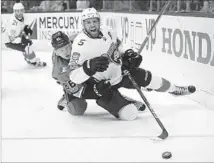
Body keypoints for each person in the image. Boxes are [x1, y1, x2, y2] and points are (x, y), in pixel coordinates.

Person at [65, 7, 196, 121]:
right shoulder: (79, 44)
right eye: (88, 22)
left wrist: (129, 53)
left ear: (99, 21)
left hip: (120, 73)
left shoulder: (107, 31)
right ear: (83, 24)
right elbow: (73, 76)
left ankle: (175, 89)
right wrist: (88, 68)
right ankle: (126, 100)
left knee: (153, 80)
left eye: (94, 21)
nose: (92, 25)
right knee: (130, 114)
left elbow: (119, 46)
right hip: (104, 86)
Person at [51, 31, 146, 116]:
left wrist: (126, 52)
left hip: (87, 70)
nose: (66, 52)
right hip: (72, 83)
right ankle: (66, 97)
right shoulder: (59, 69)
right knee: (77, 109)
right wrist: (96, 90)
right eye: (61, 50)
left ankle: (120, 98)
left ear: (71, 43)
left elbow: (111, 41)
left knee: (108, 70)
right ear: (56, 52)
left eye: (67, 47)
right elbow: (78, 90)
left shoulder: (80, 39)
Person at [3, 1, 46, 67]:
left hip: (16, 36)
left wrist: (26, 28)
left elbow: (23, 25)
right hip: (9, 41)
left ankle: (28, 59)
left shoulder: (22, 16)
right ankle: (33, 62)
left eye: (21, 11)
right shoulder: (13, 24)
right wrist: (22, 40)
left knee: (29, 45)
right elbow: (13, 40)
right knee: (27, 48)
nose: (20, 13)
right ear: (14, 11)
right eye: (17, 11)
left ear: (23, 10)